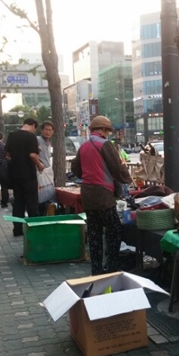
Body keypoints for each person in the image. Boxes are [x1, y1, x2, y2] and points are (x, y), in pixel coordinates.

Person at [71, 116, 132, 275]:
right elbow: (117, 168)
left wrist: (88, 175)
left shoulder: (84, 146)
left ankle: (96, 269)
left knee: (94, 232)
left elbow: (75, 168)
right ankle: (111, 266)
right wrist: (127, 179)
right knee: (114, 230)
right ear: (105, 130)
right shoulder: (105, 144)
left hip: (87, 193)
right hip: (103, 194)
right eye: (108, 131)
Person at [6, 118, 44, 237]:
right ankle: (34, 229)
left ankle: (17, 229)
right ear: (33, 126)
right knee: (32, 203)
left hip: (15, 174)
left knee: (18, 202)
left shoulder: (12, 135)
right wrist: (40, 165)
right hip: (28, 174)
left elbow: (8, 154)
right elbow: (32, 155)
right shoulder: (30, 136)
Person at [37, 121, 54, 215]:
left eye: (50, 130)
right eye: (46, 129)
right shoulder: (38, 140)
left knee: (47, 196)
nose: (48, 132)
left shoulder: (49, 142)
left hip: (47, 172)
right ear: (42, 130)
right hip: (39, 172)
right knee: (40, 198)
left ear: (53, 132)